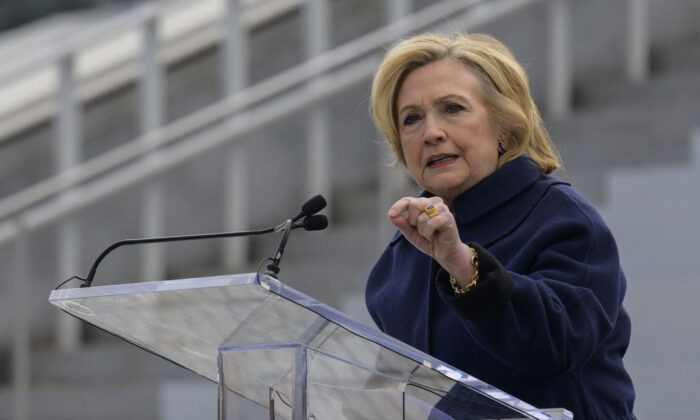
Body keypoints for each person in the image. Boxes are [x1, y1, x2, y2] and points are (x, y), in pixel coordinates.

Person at [365, 33, 636, 419]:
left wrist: (461, 263)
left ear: (505, 127)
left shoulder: (565, 221)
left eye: (453, 108)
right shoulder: (400, 256)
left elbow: (554, 345)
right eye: (411, 119)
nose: (431, 133)